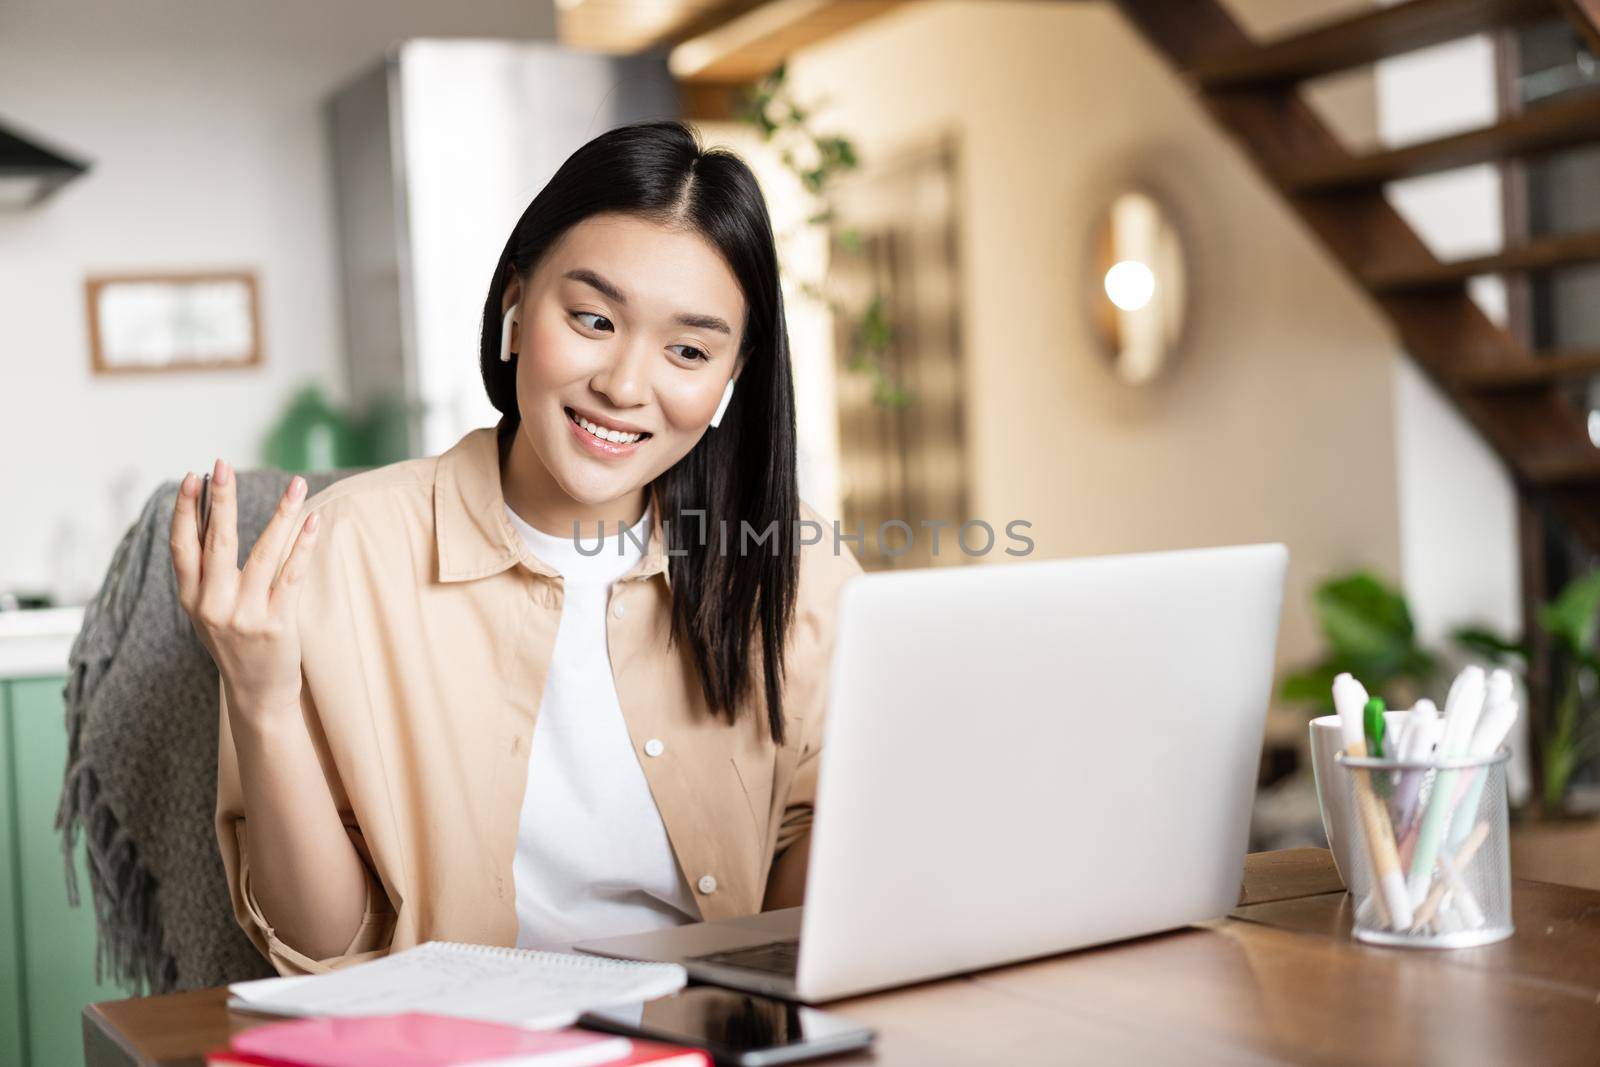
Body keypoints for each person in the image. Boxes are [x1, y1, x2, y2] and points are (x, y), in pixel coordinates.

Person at [169, 120, 863, 976]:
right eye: (592, 318)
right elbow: (321, 947)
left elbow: (811, 924)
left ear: (732, 377)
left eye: (688, 349)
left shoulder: (802, 569)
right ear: (515, 307)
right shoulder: (342, 554)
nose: (624, 385)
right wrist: (263, 699)